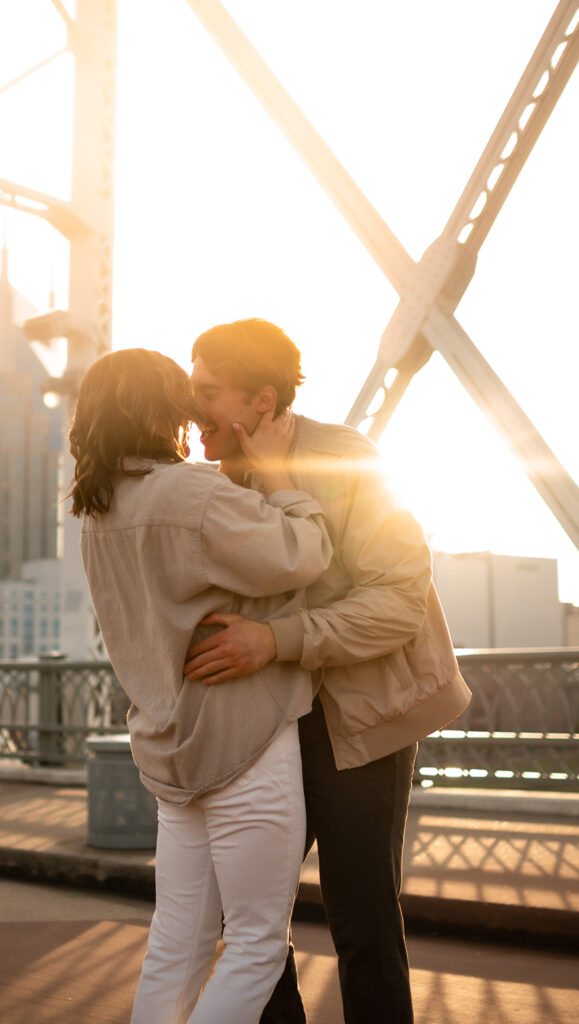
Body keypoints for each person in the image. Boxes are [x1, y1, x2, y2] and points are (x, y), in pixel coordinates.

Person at [185, 318, 472, 1024]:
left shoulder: (347, 461)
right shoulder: (220, 477)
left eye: (207, 393)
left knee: (360, 915)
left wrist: (272, 641)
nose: (190, 411)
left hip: (363, 717)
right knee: (240, 908)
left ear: (262, 400)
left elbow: (396, 604)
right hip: (275, 719)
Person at [68, 347, 333, 1024]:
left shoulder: (98, 511)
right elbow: (303, 552)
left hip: (168, 743)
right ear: (159, 410)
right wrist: (279, 480)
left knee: (178, 938)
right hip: (241, 740)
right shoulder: (189, 492)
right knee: (254, 943)